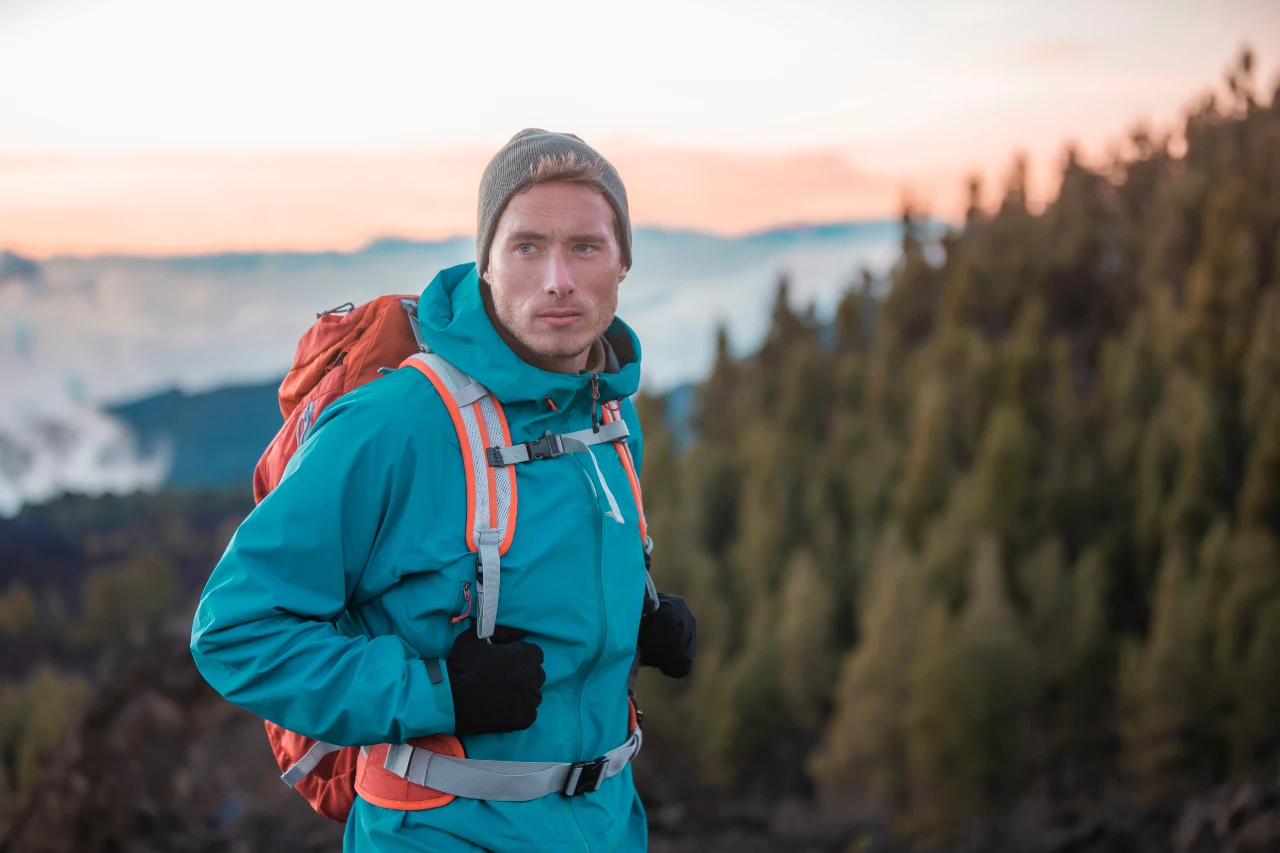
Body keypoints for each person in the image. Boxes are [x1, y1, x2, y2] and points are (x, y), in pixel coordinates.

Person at [190, 129, 698, 852]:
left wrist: (634, 618)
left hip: (609, 822)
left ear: (623, 263)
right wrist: (437, 692)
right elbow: (235, 630)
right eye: (527, 246)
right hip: (438, 831)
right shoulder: (398, 422)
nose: (559, 277)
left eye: (585, 246)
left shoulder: (610, 417)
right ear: (486, 265)